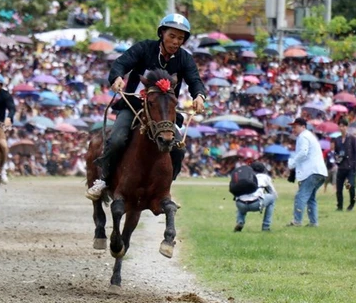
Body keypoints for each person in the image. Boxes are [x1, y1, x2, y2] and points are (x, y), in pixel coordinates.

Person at [86, 13, 206, 199]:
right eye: (172, 36)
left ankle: (165, 188)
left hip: (163, 113)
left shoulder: (185, 59)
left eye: (180, 38)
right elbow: (120, 63)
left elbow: (195, 80)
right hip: (134, 106)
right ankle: (103, 179)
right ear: (162, 34)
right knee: (117, 139)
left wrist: (199, 96)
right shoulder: (144, 48)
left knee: (179, 149)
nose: (176, 42)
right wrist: (117, 77)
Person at [287, 118, 328, 227]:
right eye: (292, 127)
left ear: (303, 126)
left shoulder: (303, 136)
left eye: (295, 127)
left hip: (312, 171)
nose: (293, 129)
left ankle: (297, 221)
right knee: (310, 198)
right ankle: (313, 222)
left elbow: (303, 153)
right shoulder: (309, 136)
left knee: (300, 196)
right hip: (320, 171)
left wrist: (292, 164)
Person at [233, 162, 277, 232]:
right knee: (272, 199)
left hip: (240, 204)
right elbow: (273, 193)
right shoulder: (265, 177)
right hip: (255, 203)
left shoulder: (244, 175)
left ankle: (240, 221)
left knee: (242, 197)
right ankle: (266, 226)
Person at [334, 118, 356, 211]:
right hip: (341, 167)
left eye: (343, 126)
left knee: (350, 186)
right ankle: (339, 206)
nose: (341, 128)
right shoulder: (337, 139)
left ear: (346, 127)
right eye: (340, 126)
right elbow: (336, 152)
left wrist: (354, 166)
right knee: (339, 189)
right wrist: (337, 158)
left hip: (350, 167)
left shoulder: (352, 139)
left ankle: (352, 203)